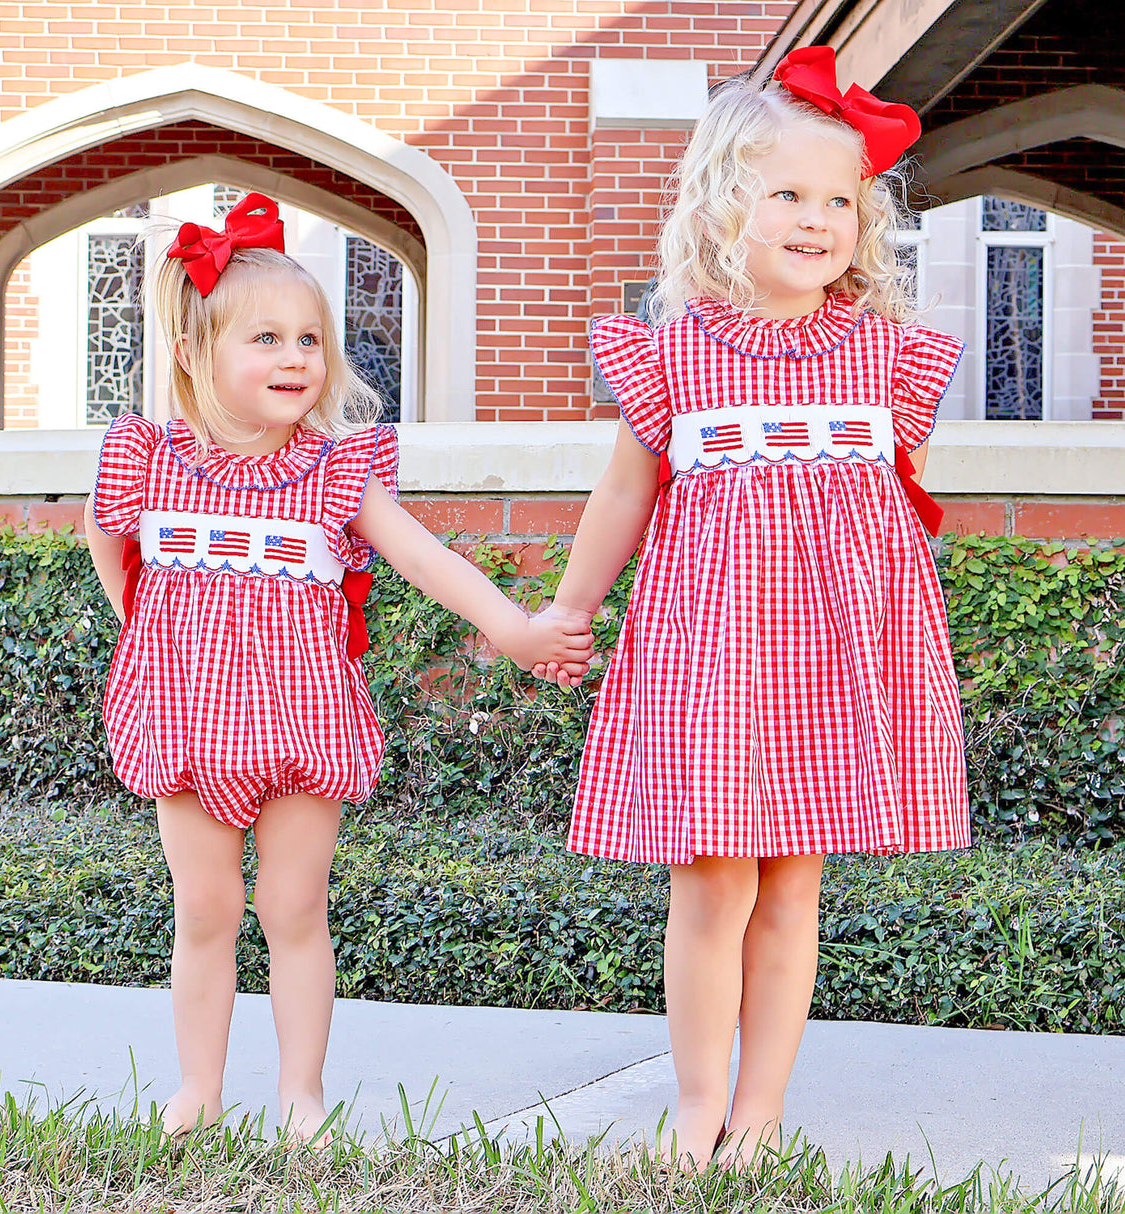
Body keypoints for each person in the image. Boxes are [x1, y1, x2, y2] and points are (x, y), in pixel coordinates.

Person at [535, 47, 969, 1170]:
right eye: (786, 193)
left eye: (839, 199)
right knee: (710, 876)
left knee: (792, 879)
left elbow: (882, 513)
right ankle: (694, 1102)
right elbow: (626, 489)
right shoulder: (671, 352)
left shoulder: (885, 356)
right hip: (709, 644)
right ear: (723, 204)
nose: (816, 218)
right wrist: (569, 609)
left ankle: (761, 1105)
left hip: (826, 656)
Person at [84, 193, 593, 1143]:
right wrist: (156, 653)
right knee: (205, 908)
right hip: (186, 723)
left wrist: (514, 626)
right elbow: (113, 553)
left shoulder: (336, 471)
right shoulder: (145, 459)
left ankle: (300, 1095)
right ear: (194, 354)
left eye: (310, 339)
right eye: (266, 338)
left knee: (293, 907)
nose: (294, 358)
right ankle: (197, 1088)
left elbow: (426, 558)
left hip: (302, 720)